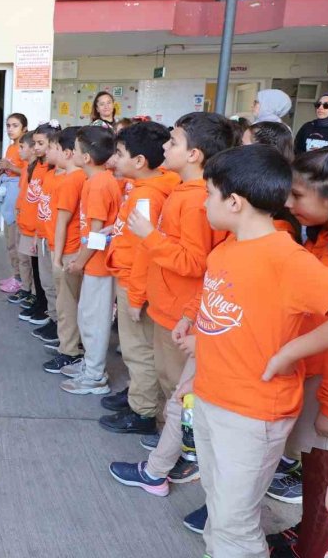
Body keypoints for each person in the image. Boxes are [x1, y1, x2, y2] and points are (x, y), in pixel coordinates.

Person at [186, 144, 328, 558]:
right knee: (220, 507)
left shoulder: (285, 258)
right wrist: (195, 322)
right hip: (211, 397)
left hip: (253, 413)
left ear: (234, 202)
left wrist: (289, 353)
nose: (204, 204)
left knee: (235, 525)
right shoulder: (225, 250)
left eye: (209, 194)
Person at [108, 112, 234, 496]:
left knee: (180, 392)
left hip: (181, 312)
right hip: (167, 307)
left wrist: (149, 237)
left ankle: (181, 456)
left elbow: (195, 262)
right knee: (169, 383)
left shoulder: (197, 200)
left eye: (174, 142)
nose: (166, 146)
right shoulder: (181, 191)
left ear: (194, 154)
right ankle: (171, 447)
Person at [266, 148, 328, 558]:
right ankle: (308, 537)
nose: (289, 204)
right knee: (315, 471)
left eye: (298, 196)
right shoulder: (319, 239)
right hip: (316, 375)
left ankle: (313, 550)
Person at [99, 121, 178, 433]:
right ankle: (138, 395)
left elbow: (145, 249)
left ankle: (142, 412)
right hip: (136, 279)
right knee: (141, 349)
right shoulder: (153, 186)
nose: (114, 160)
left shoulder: (147, 196)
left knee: (138, 350)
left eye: (119, 153)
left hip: (136, 282)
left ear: (140, 161)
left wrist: (134, 296)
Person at [58, 126, 121, 395]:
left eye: (77, 148)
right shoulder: (99, 180)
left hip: (99, 265)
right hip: (96, 264)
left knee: (93, 321)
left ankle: (94, 376)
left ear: (85, 158)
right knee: (87, 317)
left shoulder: (98, 185)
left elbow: (96, 234)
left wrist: (79, 262)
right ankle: (90, 365)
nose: (71, 151)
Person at [43, 127, 87, 374]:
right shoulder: (75, 177)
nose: (51, 152)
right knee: (68, 301)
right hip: (67, 248)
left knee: (67, 303)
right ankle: (69, 343)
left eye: (55, 148)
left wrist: (57, 256)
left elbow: (63, 221)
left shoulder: (74, 179)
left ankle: (69, 351)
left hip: (67, 250)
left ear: (69, 153)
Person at [30, 122, 64, 342]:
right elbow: (43, 208)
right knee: (47, 284)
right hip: (43, 236)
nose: (38, 148)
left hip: (55, 242)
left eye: (44, 145)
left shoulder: (67, 178)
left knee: (57, 288)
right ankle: (53, 319)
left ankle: (60, 326)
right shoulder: (46, 172)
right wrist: (36, 233)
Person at [0, 113, 30, 297]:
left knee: (16, 239)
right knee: (9, 238)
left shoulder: (24, 149)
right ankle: (16, 275)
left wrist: (10, 168)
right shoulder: (11, 147)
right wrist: (3, 169)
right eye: (8, 125)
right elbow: (12, 169)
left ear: (24, 128)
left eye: (15, 125)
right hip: (9, 192)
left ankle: (21, 280)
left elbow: (26, 172)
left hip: (18, 193)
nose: (10, 129)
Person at [13, 132, 44, 318]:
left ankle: (36, 297)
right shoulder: (28, 167)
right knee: (28, 260)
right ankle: (33, 294)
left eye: (22, 147)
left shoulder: (41, 169)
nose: (19, 151)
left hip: (35, 227)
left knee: (37, 267)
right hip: (26, 222)